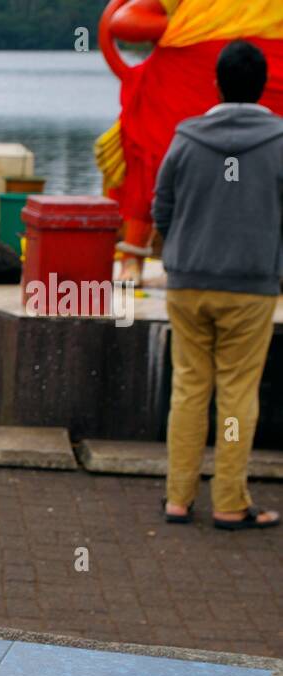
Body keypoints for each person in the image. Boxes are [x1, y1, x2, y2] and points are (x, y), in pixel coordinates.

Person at [153, 39, 282, 530]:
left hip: (187, 282)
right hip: (251, 284)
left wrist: (185, 248)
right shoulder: (278, 139)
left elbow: (160, 206)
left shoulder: (187, 136)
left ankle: (178, 499)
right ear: (264, 84)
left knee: (188, 389)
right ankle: (230, 503)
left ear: (217, 82)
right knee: (237, 393)